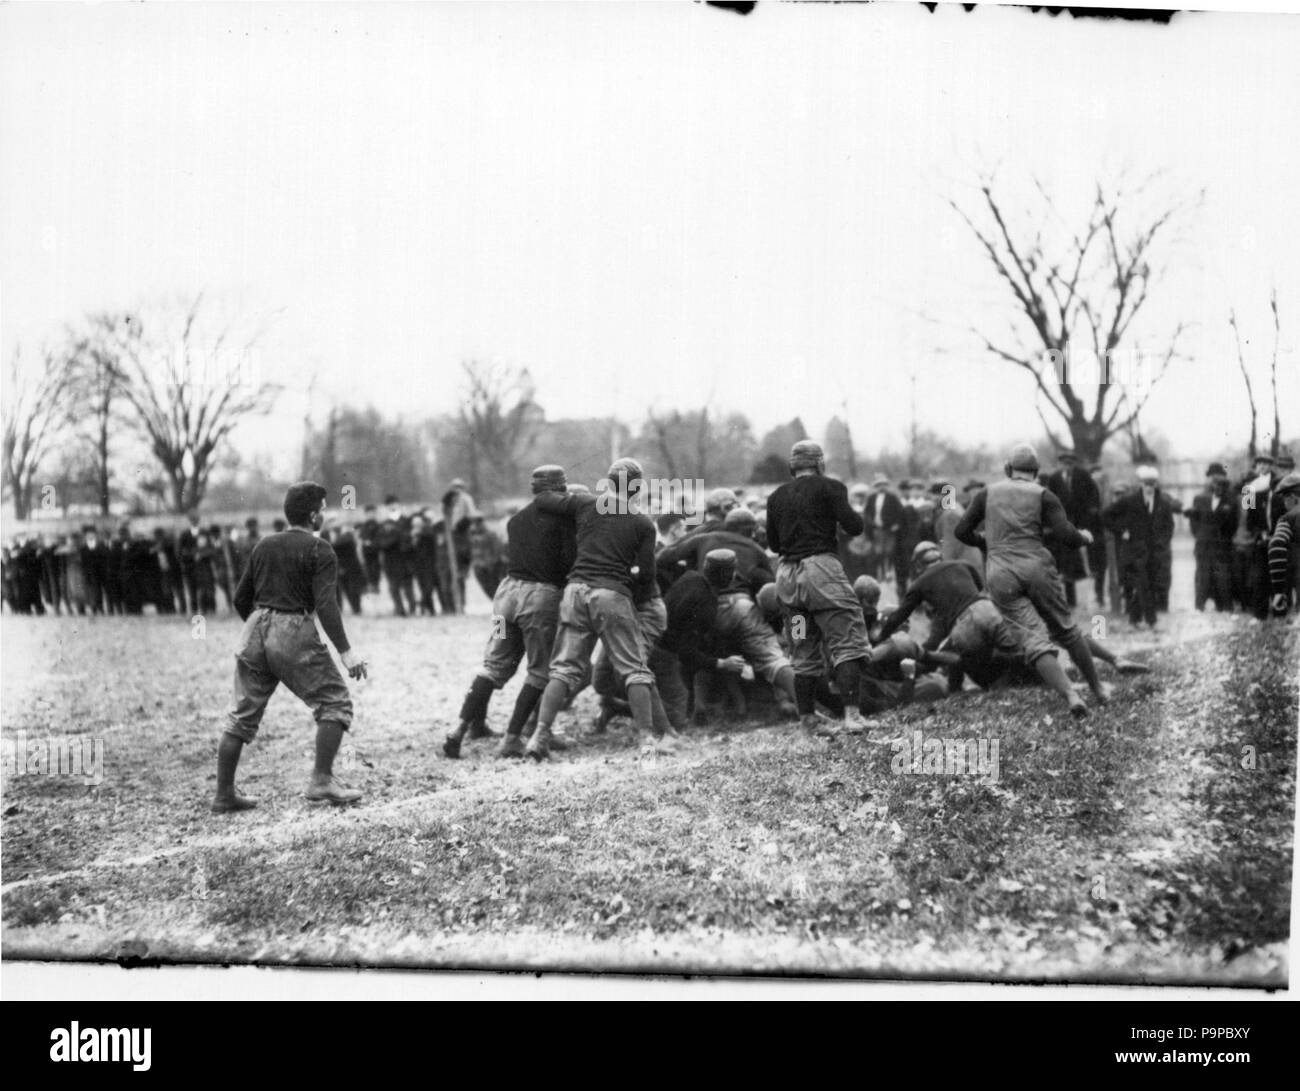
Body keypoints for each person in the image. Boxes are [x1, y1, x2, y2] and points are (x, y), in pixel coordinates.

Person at [213, 481, 369, 814]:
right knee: (335, 702)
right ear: (313, 515)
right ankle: (321, 780)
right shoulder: (320, 549)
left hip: (255, 627)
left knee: (240, 716)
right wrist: (345, 651)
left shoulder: (263, 545)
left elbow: (241, 598)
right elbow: (326, 605)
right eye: (324, 509)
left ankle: (224, 794)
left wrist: (262, 629)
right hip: (292, 629)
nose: (325, 515)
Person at [526, 458, 673, 759]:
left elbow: (543, 498)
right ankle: (646, 738)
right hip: (611, 595)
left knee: (563, 668)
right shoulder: (642, 521)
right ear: (636, 486)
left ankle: (539, 735)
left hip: (575, 591)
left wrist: (552, 485)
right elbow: (646, 575)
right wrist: (626, 573)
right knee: (634, 669)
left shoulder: (585, 503)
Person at [955, 443, 1107, 719]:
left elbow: (961, 530)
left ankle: (1071, 693)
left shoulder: (986, 493)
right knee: (1067, 629)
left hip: (1000, 572)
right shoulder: (1044, 494)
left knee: (1032, 638)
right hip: (1036, 566)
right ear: (1036, 472)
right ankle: (1097, 688)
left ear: (1007, 469)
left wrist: (987, 543)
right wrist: (1084, 536)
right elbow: (1065, 534)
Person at [442, 466, 576, 759]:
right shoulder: (564, 520)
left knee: (493, 664)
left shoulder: (515, 520)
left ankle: (459, 729)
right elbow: (568, 563)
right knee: (541, 671)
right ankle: (513, 737)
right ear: (559, 488)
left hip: (505, 600)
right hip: (539, 601)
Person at [765, 440, 872, 736]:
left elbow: (773, 544)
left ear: (792, 467)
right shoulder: (830, 487)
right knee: (846, 639)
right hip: (821, 574)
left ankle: (808, 719)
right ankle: (852, 716)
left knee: (801, 646)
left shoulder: (775, 497)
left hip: (788, 580)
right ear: (820, 464)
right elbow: (855, 527)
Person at [1105, 465, 1176, 629]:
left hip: (1154, 552)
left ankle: (1134, 619)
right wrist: (1121, 531)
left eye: (1152, 483)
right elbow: (1106, 515)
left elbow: (1169, 526)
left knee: (1148, 584)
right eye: (1146, 483)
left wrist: (1163, 543)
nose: (1149, 487)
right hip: (1134, 551)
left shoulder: (1163, 504)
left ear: (1156, 484)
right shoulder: (1130, 501)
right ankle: (1152, 620)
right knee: (1143, 583)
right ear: (1140, 484)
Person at [1045, 449, 1101, 608]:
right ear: (1060, 464)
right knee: (1065, 560)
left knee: (1087, 557)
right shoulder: (1055, 478)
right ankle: (1070, 600)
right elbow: (1050, 500)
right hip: (1063, 523)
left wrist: (1091, 512)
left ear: (1073, 463)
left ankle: (1095, 595)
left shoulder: (1083, 475)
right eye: (1064, 463)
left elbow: (1093, 495)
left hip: (1082, 522)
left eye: (1070, 463)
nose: (1067, 466)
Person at [1187, 462, 1237, 612]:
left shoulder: (1231, 498)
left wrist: (1224, 537)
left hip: (1222, 544)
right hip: (1204, 544)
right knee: (1202, 575)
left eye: (1218, 478)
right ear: (1208, 479)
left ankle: (1223, 605)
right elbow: (1194, 523)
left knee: (1222, 577)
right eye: (1212, 478)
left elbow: (1234, 522)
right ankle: (1199, 605)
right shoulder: (1199, 498)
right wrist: (1202, 535)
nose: (1214, 482)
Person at [1267, 471, 1300, 616]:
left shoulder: (1288, 518)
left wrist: (1279, 590)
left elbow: (1276, 546)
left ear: (1292, 498)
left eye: (1284, 499)